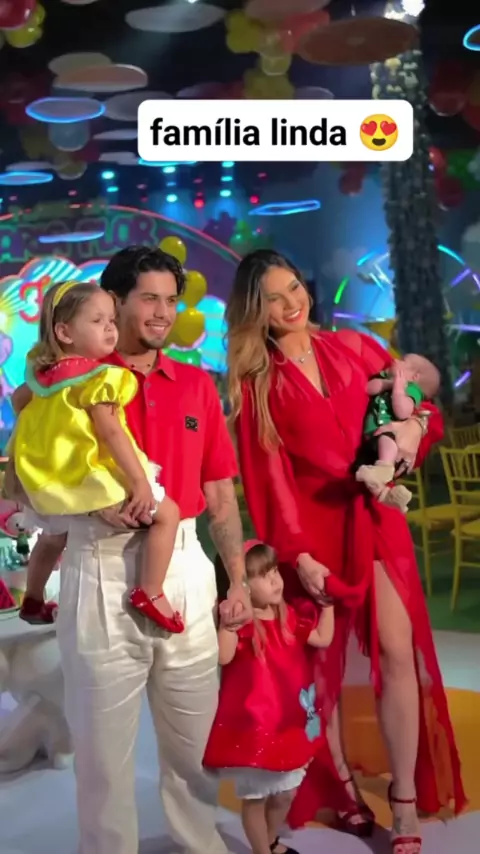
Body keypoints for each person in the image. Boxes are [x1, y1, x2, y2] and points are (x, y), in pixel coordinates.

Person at [11, 245, 252, 854]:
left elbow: (219, 494)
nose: (163, 312)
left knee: (194, 747)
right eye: (149, 298)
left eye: (172, 300)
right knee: (102, 755)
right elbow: (30, 476)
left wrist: (238, 581)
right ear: (114, 301)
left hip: (187, 569)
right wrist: (88, 506)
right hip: (98, 566)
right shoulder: (62, 382)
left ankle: (201, 845)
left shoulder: (196, 384)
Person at [226, 249, 465, 854]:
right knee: (321, 669)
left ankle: (404, 802)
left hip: (374, 516)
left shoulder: (355, 347)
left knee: (396, 650)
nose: (291, 302)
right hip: (310, 535)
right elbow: (269, 477)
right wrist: (297, 554)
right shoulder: (259, 384)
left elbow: (415, 403)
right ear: (257, 311)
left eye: (294, 286)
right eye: (274, 297)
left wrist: (415, 429)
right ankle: (345, 789)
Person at [12, 279, 182, 632]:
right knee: (168, 514)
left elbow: (18, 401)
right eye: (97, 320)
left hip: (53, 477)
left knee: (53, 536)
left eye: (111, 320)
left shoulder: (42, 377)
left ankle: (33, 598)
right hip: (89, 471)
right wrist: (139, 481)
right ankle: (151, 591)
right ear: (64, 332)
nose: (110, 328)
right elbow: (111, 432)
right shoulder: (97, 378)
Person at [205, 540, 334, 854]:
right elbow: (223, 657)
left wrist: (327, 606)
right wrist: (227, 625)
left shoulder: (287, 617)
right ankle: (262, 851)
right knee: (255, 799)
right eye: (264, 576)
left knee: (286, 793)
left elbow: (322, 638)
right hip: (256, 728)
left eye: (275, 571)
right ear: (241, 588)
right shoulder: (242, 625)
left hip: (289, 725)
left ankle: (271, 839)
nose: (276, 580)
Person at [356, 353, 440, 513]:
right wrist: (389, 383)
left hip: (388, 435)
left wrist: (399, 390)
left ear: (415, 377)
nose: (394, 360)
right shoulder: (386, 378)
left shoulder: (411, 390)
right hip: (370, 438)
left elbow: (402, 412)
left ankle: (385, 467)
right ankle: (384, 494)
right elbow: (368, 388)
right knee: (364, 472)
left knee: (387, 440)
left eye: (403, 361)